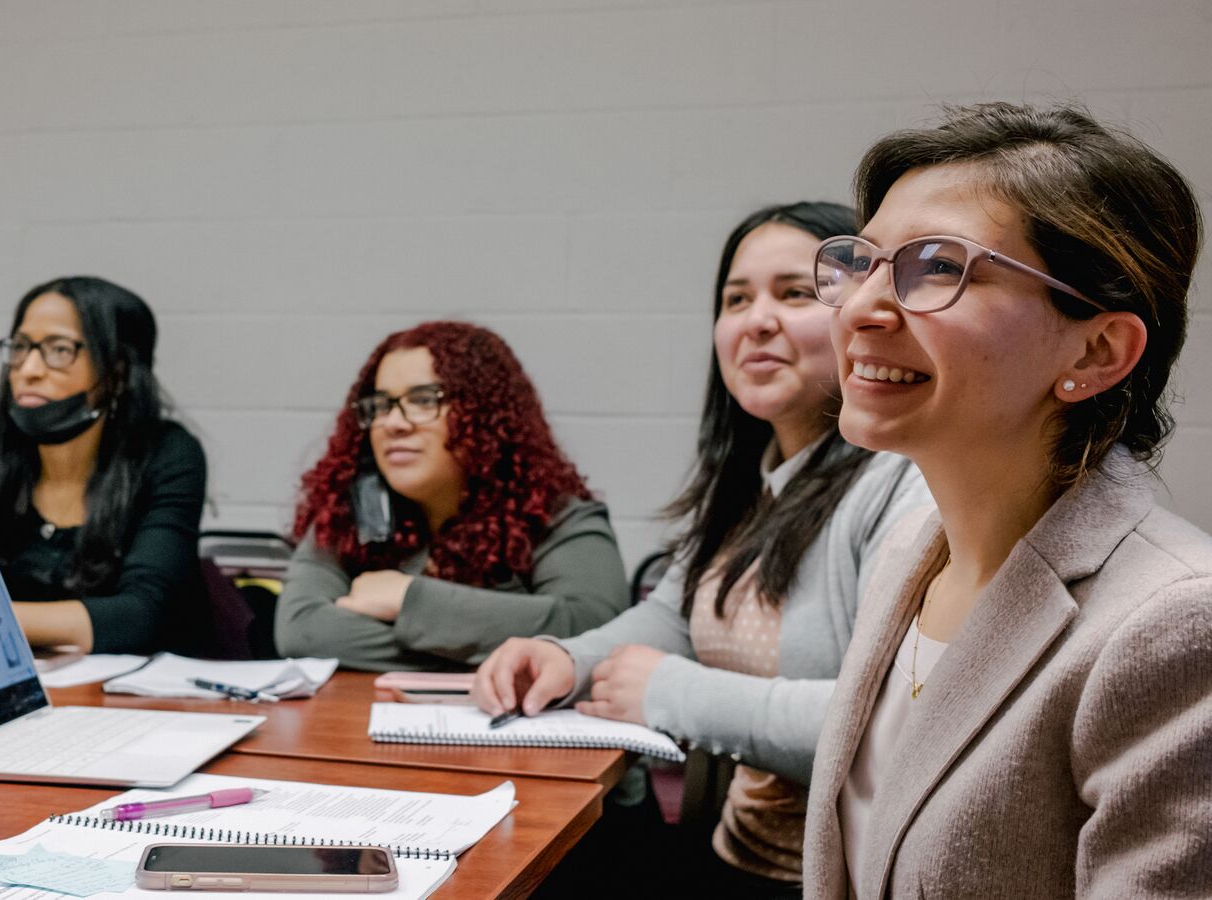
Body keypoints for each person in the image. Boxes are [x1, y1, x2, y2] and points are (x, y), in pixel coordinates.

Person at [798, 103, 1212, 898]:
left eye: (939, 268)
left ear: (1096, 351)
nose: (859, 310)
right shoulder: (908, 555)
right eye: (864, 264)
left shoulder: (1168, 626)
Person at [474, 204, 932, 896]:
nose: (757, 321)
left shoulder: (903, 483)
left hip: (835, 878)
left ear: (862, 313)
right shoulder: (754, 479)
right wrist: (567, 658)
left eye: (795, 293)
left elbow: (881, 724)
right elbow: (674, 616)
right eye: (736, 299)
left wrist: (667, 693)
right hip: (733, 851)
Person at [274, 321, 626, 671]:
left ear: (483, 414)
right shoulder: (349, 511)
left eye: (424, 400)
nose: (394, 423)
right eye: (381, 404)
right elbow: (302, 631)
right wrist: (486, 651)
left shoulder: (553, 513)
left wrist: (408, 599)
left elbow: (590, 627)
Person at [0, 276, 209, 655]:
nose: (28, 369)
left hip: (139, 696)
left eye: (59, 350)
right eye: (21, 347)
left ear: (117, 373)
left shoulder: (167, 453)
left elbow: (142, 616)